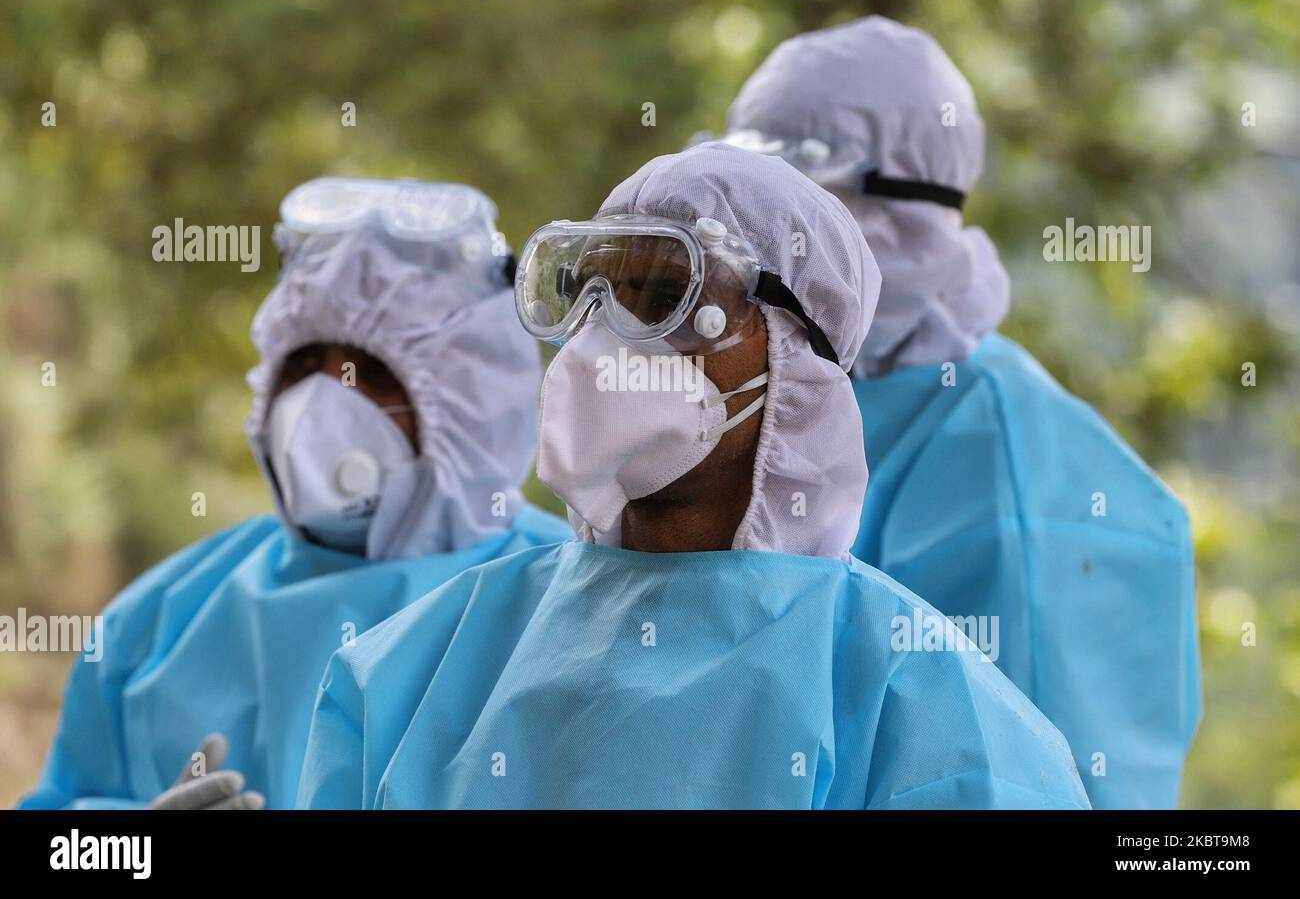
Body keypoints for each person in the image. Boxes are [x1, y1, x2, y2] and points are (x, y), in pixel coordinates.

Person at [296, 144, 1091, 809]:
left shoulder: (923, 710)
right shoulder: (407, 669)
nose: (605, 337)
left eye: (665, 297)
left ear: (795, 349)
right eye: (590, 293)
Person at [719, 16, 1200, 808]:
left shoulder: (1003, 458)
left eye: (800, 205)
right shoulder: (809, 397)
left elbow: (1023, 777)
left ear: (896, 210)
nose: (763, 245)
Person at [21, 177, 570, 810]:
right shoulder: (158, 621)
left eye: (371, 374)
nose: (323, 404)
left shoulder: (564, 611)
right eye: (304, 365)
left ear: (475, 407)